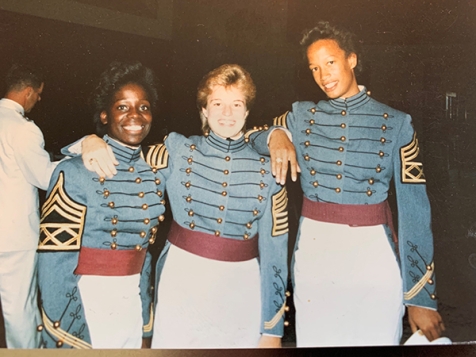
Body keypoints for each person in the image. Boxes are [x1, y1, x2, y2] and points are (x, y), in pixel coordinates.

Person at [247, 21, 445, 347]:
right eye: (314, 68)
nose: (323, 76)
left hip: (374, 256)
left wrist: (420, 297)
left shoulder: (397, 123)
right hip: (316, 254)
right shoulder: (300, 115)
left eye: (330, 62)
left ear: (351, 59)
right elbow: (249, 136)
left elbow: (415, 213)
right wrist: (275, 135)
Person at [76, 64, 289, 348]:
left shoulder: (270, 169)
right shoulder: (177, 150)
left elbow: (275, 254)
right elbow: (124, 154)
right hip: (181, 282)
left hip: (242, 291)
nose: (227, 113)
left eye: (236, 104)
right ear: (204, 110)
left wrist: (272, 330)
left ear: (247, 111)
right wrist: (87, 142)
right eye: (217, 103)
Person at [36, 61, 166, 349]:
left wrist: (145, 322)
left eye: (143, 107)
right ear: (105, 115)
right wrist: (69, 333)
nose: (135, 115)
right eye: (123, 107)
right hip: (86, 304)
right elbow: (53, 267)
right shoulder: (74, 173)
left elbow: (142, 258)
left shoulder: (152, 172)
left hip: (130, 306)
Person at [0, 63, 56, 348]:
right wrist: (77, 158)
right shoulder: (23, 129)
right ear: (27, 92)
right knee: (18, 306)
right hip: (13, 235)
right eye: (38, 94)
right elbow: (45, 176)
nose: (38, 100)